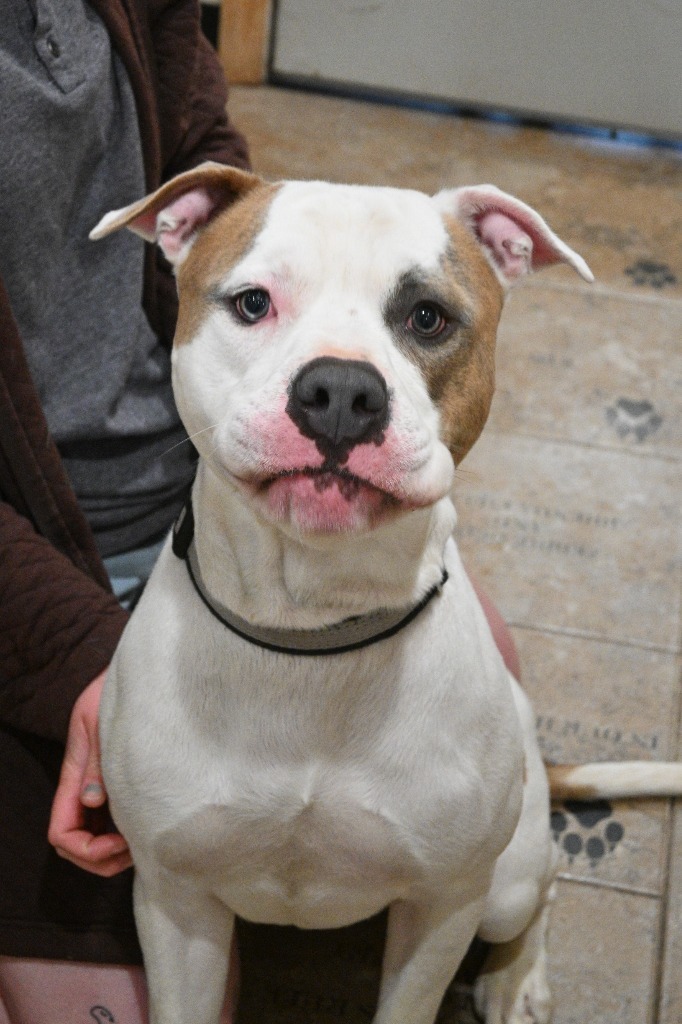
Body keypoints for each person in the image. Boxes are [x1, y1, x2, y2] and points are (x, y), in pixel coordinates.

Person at [0, 2, 521, 1021]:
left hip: (191, 466)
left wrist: (266, 276)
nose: (339, 388)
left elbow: (199, 150)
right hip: (29, 558)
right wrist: (71, 656)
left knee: (484, 753)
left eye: (423, 320)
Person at [0, 1, 248, 1021]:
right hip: (29, 569)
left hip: (181, 485)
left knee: (477, 668)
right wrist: (92, 661)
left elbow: (198, 148)